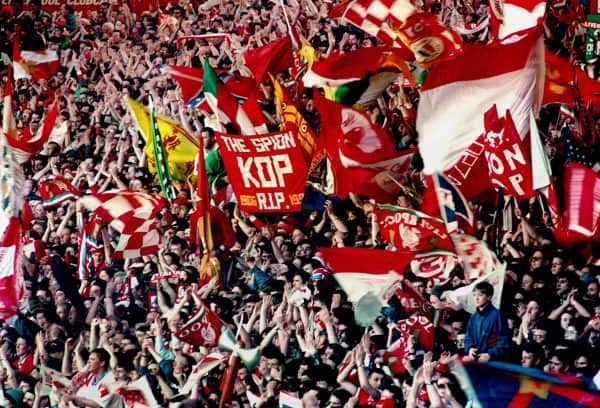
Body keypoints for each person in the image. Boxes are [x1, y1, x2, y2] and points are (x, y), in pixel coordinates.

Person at [464, 281, 510, 362]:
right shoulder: (473, 317)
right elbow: (468, 337)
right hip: (476, 361)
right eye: (474, 295)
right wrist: (470, 349)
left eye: (480, 295)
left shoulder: (497, 315)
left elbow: (503, 341)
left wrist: (490, 354)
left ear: (489, 297)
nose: (476, 298)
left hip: (492, 362)